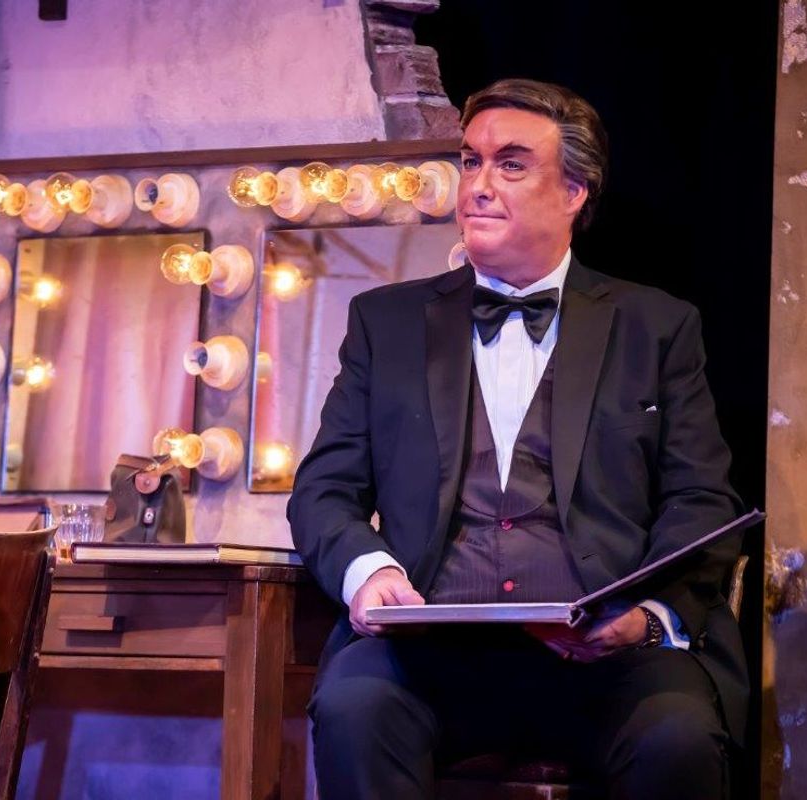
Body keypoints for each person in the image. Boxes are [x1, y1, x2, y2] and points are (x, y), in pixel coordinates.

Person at [286, 78, 747, 800]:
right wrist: (368, 573)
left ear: (573, 192)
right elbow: (324, 491)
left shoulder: (655, 326)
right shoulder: (386, 323)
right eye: (470, 161)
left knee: (679, 737)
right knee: (354, 709)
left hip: (604, 663)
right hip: (428, 658)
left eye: (509, 163)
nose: (477, 184)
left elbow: (699, 500)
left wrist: (643, 615)